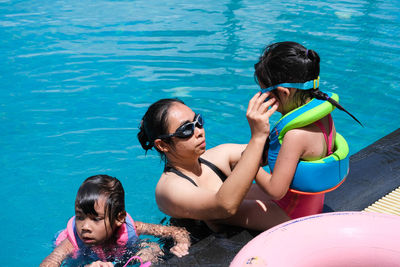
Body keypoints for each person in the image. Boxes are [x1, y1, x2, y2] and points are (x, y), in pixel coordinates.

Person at [137, 94, 290, 233]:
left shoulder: (220, 156)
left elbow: (274, 151)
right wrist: (257, 137)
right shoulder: (168, 189)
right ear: (162, 145)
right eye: (186, 129)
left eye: (198, 121)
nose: (199, 131)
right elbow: (224, 206)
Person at [253, 41, 359, 219]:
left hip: (290, 213)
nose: (262, 98)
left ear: (284, 92)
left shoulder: (295, 135)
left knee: (226, 211)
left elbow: (275, 190)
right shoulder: (324, 116)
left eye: (264, 93)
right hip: (310, 205)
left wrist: (247, 163)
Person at [40, 175, 191, 267]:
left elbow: (176, 231)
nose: (85, 227)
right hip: (83, 260)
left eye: (96, 219)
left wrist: (182, 244)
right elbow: (50, 262)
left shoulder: (133, 228)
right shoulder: (71, 243)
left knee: (153, 250)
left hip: (117, 257)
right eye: (80, 217)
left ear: (119, 218)